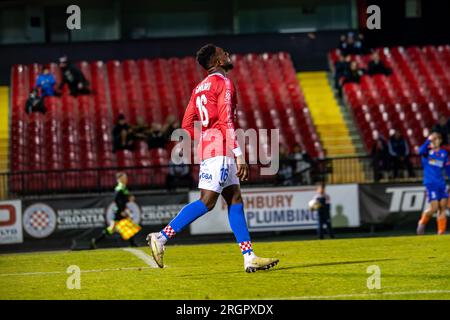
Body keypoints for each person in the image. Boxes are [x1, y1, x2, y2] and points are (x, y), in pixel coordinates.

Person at [146, 44, 278, 272]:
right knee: (207, 202)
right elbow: (227, 121)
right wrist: (239, 155)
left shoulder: (198, 89)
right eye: (223, 52)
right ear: (216, 61)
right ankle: (161, 236)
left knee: (234, 200)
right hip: (222, 150)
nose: (227, 53)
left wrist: (207, 139)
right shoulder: (223, 83)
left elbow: (186, 126)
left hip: (211, 149)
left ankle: (249, 257)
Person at [91, 172, 140, 248]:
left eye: (126, 177)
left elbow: (122, 200)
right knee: (126, 226)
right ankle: (133, 243)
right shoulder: (120, 188)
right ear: (119, 179)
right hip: (119, 212)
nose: (126, 179)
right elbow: (117, 200)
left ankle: (95, 241)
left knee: (113, 228)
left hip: (120, 211)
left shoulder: (123, 187)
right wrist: (122, 210)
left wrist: (128, 199)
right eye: (124, 177)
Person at [416, 133, 450, 235]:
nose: (434, 141)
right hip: (430, 183)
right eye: (433, 139)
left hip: (441, 183)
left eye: (436, 139)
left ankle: (441, 232)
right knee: (434, 208)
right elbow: (419, 151)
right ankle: (422, 222)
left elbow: (447, 168)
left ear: (440, 141)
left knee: (442, 207)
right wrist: (427, 140)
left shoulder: (444, 153)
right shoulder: (427, 152)